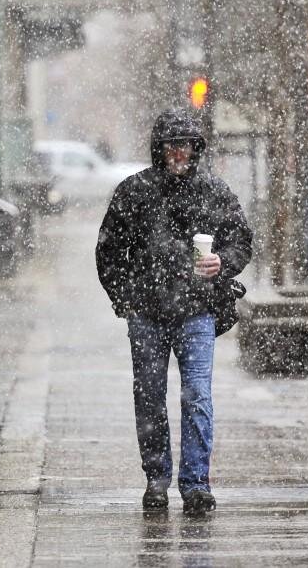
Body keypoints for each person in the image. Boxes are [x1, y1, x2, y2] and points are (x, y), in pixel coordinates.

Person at [95, 109, 253, 515]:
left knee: (197, 394)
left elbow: (240, 241)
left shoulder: (214, 192)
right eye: (171, 145)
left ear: (196, 148)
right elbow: (109, 252)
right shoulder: (134, 191)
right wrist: (127, 298)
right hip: (146, 313)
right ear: (159, 149)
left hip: (197, 310)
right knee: (149, 395)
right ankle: (157, 479)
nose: (179, 152)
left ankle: (196, 483)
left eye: (185, 145)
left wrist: (223, 263)